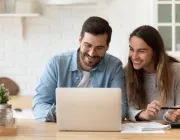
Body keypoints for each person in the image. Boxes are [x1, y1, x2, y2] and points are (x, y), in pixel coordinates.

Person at [32, 16, 128, 122]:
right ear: (80, 40)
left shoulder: (114, 66)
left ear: (107, 47)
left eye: (99, 48)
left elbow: (121, 108)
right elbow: (39, 105)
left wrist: (81, 115)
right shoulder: (57, 64)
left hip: (99, 130)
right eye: (87, 45)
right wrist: (58, 114)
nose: (92, 53)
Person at [126, 25, 180, 123]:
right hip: (140, 135)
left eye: (141, 51)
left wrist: (171, 116)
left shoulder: (177, 71)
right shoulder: (126, 72)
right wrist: (143, 114)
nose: (134, 56)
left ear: (155, 52)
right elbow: (126, 109)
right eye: (131, 49)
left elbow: (178, 110)